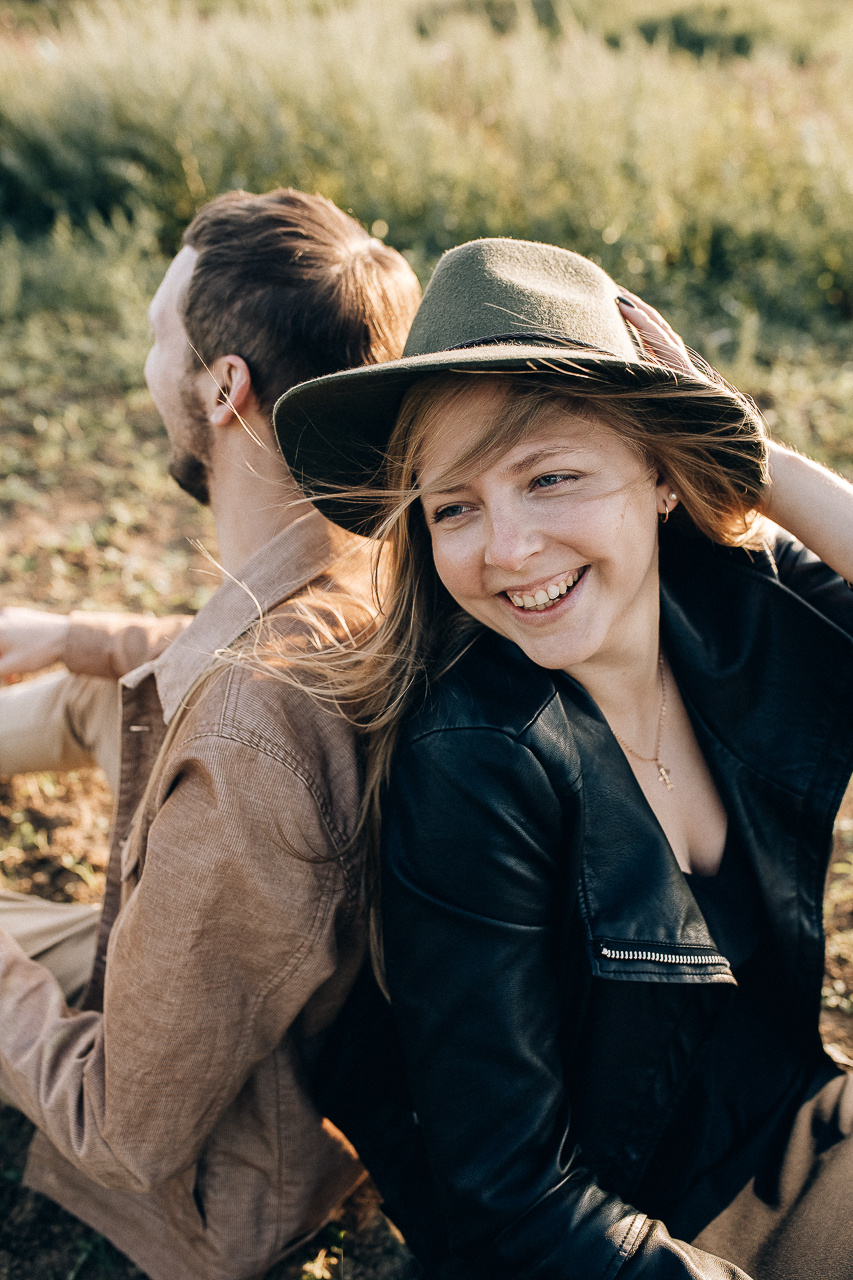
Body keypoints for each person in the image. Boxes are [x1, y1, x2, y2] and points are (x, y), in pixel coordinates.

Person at [271, 236, 853, 1279]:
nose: (507, 547)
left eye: (551, 477)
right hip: (644, 1238)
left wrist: (748, 459)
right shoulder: (474, 765)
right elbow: (512, 1202)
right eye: (454, 504)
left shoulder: (733, 611)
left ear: (659, 476)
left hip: (799, 1125)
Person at [0, 187, 421, 1280]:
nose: (147, 366)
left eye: (157, 340)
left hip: (231, 1168)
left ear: (224, 386)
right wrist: (73, 631)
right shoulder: (379, 559)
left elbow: (121, 1133)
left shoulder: (246, 741)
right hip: (281, 965)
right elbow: (208, 656)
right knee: (107, 684)